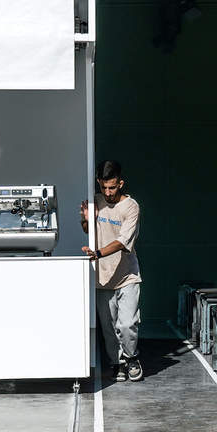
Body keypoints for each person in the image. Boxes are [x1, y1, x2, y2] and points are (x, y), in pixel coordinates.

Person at [80, 160, 142, 382]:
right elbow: (88, 231)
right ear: (99, 183)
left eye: (112, 187)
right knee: (108, 327)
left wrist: (97, 253)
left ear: (121, 184)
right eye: (104, 187)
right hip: (102, 277)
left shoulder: (131, 207)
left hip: (127, 275)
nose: (108, 192)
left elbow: (123, 242)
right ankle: (117, 364)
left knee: (127, 324)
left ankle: (132, 357)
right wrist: (87, 220)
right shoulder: (96, 201)